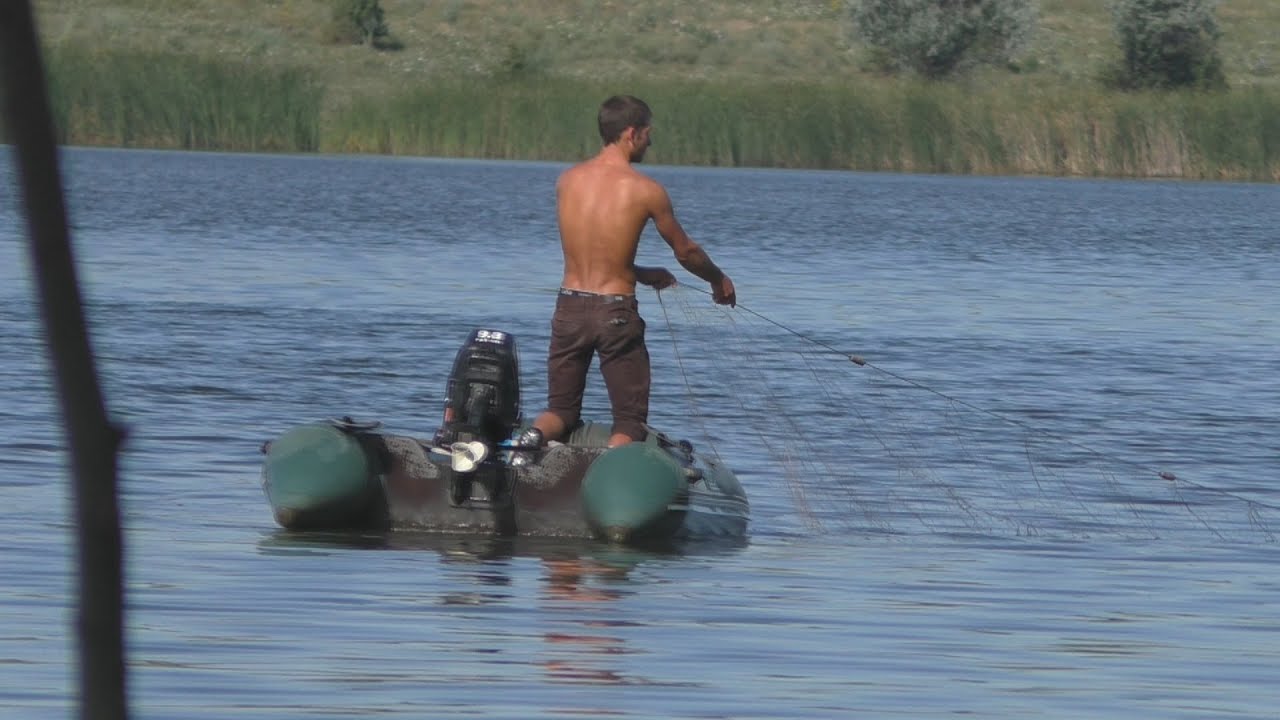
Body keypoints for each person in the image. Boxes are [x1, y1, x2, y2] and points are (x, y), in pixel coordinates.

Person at [521, 95, 736, 450]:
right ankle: (611, 467)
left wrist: (642, 272)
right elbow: (687, 251)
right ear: (632, 133)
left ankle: (531, 439)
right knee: (629, 422)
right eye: (648, 133)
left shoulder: (568, 181)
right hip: (615, 315)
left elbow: (593, 253)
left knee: (560, 409)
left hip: (569, 308)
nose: (650, 142)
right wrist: (717, 279)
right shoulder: (645, 190)